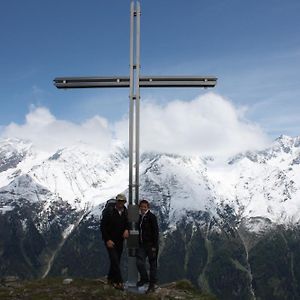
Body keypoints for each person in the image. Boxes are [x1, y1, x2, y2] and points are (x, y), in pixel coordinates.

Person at [100, 193, 129, 290]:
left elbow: (127, 223)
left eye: (122, 201)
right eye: (119, 201)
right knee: (115, 260)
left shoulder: (125, 211)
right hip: (110, 240)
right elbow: (103, 227)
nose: (121, 203)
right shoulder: (109, 212)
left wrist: (126, 229)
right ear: (116, 201)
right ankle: (119, 282)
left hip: (120, 241)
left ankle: (110, 279)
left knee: (116, 261)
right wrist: (107, 240)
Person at [136, 199, 159, 293]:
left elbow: (155, 232)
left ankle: (151, 285)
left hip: (151, 245)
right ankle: (144, 278)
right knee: (139, 262)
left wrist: (154, 245)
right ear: (139, 207)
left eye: (144, 207)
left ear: (148, 207)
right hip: (142, 245)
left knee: (152, 265)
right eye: (141, 207)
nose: (143, 208)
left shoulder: (151, 217)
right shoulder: (140, 217)